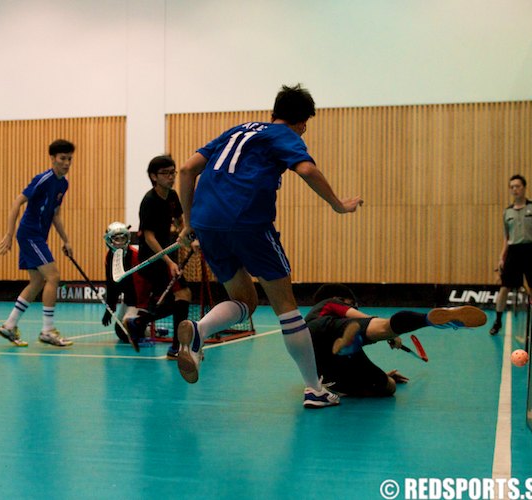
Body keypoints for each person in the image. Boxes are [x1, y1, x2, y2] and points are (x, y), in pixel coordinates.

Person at [176, 83, 363, 408]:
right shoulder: (285, 136)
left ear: (274, 110)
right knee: (286, 307)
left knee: (244, 300)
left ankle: (199, 329)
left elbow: (188, 168)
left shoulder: (235, 131)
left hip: (207, 223)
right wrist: (337, 204)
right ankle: (314, 390)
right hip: (247, 221)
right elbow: (306, 169)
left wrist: (188, 222)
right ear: (303, 122)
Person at [305, 283, 487, 397]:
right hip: (330, 328)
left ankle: (364, 371)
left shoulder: (311, 316)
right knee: (384, 327)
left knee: (384, 385)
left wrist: (384, 375)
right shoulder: (331, 302)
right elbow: (357, 316)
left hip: (316, 354)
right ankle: (427, 319)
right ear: (342, 299)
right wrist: (391, 334)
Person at [0, 139, 75, 347]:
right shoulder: (43, 179)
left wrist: (66, 240)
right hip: (30, 234)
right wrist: (9, 234)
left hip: (39, 236)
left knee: (38, 281)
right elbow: (17, 202)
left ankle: (9, 325)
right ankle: (48, 330)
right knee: (54, 276)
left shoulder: (63, 184)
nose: (66, 163)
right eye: (62, 159)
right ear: (52, 159)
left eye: (70, 159)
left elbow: (55, 214)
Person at [137, 155, 192, 358]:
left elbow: (179, 220)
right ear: (153, 176)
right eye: (165, 173)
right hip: (151, 258)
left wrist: (186, 233)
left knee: (176, 300)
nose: (171, 177)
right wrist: (168, 261)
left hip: (167, 255)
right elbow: (149, 236)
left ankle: (141, 321)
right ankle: (176, 348)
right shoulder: (149, 201)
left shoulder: (172, 196)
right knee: (183, 294)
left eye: (173, 172)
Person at [489, 174, 532, 335]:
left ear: (524, 187)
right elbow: (506, 238)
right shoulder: (507, 212)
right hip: (513, 252)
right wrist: (502, 257)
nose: (515, 189)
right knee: (504, 287)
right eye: (512, 187)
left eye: (518, 186)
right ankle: (497, 321)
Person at [102, 221, 174, 347]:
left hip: (140, 300)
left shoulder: (134, 256)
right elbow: (111, 283)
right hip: (128, 299)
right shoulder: (109, 257)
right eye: (116, 239)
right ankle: (154, 331)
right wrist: (110, 306)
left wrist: (142, 308)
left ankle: (146, 329)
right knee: (121, 332)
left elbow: (142, 286)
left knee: (128, 331)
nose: (119, 242)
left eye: (122, 238)